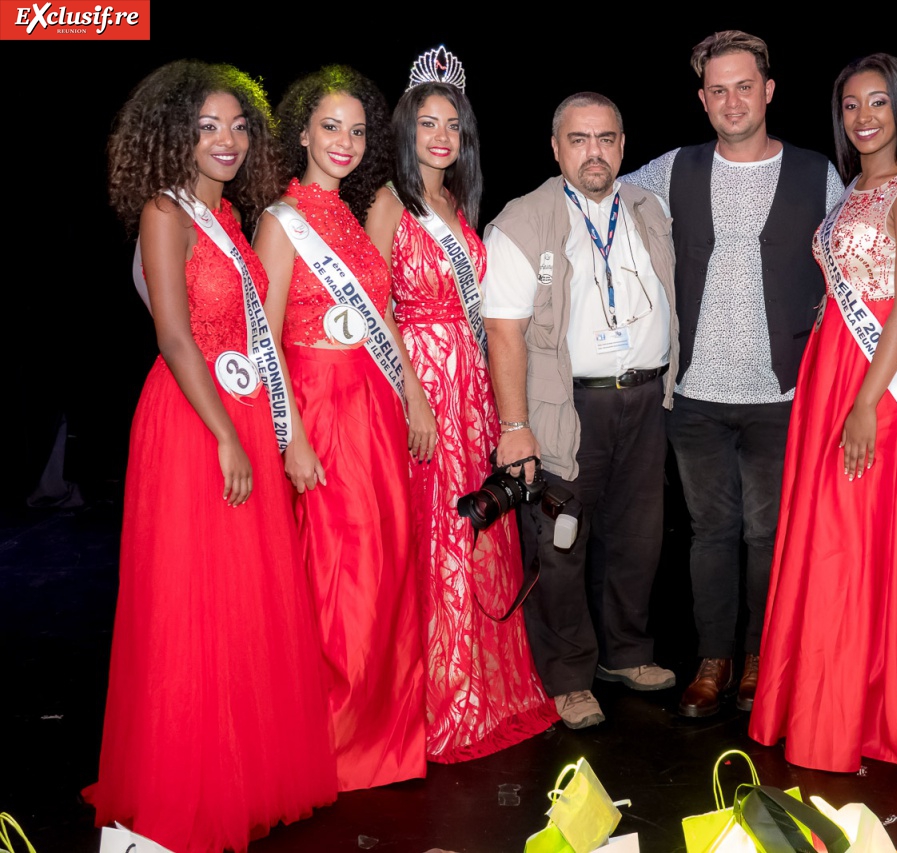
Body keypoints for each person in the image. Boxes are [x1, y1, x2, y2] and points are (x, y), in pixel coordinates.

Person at [85, 60, 336, 852]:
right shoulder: (166, 211)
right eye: (206, 127)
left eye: (237, 126)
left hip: (245, 413)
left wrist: (273, 432)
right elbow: (173, 336)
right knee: (193, 601)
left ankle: (243, 769)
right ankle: (189, 778)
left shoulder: (228, 215)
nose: (226, 140)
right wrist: (225, 434)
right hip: (195, 422)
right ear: (174, 135)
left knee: (244, 599)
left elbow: (255, 334)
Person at [623, 30, 844, 717]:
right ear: (701, 99)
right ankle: (713, 659)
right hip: (695, 395)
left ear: (768, 90)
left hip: (782, 393)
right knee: (710, 533)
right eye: (717, 90)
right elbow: (595, 197)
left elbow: (860, 263)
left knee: (767, 535)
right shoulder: (672, 169)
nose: (732, 101)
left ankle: (760, 658)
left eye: (744, 86)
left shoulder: (818, 173)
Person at [748, 54, 897, 779]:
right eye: (852, 105)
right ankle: (815, 701)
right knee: (825, 536)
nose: (863, 117)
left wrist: (865, 402)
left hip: (877, 383)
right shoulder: (854, 186)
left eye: (878, 103)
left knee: (854, 541)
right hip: (830, 368)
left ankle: (852, 717)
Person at [365, 47, 559, 760]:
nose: (442, 135)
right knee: (438, 535)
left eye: (453, 124)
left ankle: (485, 688)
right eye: (428, 123)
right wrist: (413, 397)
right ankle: (441, 698)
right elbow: (376, 306)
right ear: (406, 130)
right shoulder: (390, 201)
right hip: (421, 383)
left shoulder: (456, 203)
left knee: (478, 529)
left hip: (471, 386)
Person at [254, 65, 432, 790]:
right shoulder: (280, 220)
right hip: (322, 409)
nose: (345, 142)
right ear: (301, 133)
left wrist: (414, 395)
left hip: (376, 410)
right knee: (339, 578)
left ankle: (387, 736)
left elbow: (382, 316)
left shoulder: (353, 220)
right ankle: (333, 742)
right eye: (330, 126)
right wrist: (291, 436)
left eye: (357, 131)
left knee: (387, 569)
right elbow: (265, 338)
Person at [483, 92, 678, 730]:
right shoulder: (523, 220)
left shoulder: (648, 208)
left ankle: (626, 653)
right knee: (560, 541)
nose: (594, 152)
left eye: (606, 139)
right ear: (555, 147)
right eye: (579, 139)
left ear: (622, 145)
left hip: (644, 398)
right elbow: (503, 332)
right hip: (567, 407)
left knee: (638, 537)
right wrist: (516, 427)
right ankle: (568, 677)